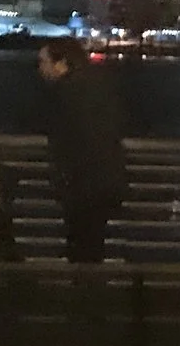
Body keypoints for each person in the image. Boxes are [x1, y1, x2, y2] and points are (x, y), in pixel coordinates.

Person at [38, 37, 130, 263]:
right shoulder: (98, 87)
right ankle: (90, 290)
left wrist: (63, 180)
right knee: (92, 246)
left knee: (81, 247)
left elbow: (74, 139)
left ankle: (85, 293)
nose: (40, 68)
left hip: (83, 186)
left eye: (43, 62)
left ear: (61, 63)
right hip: (104, 181)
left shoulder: (67, 94)